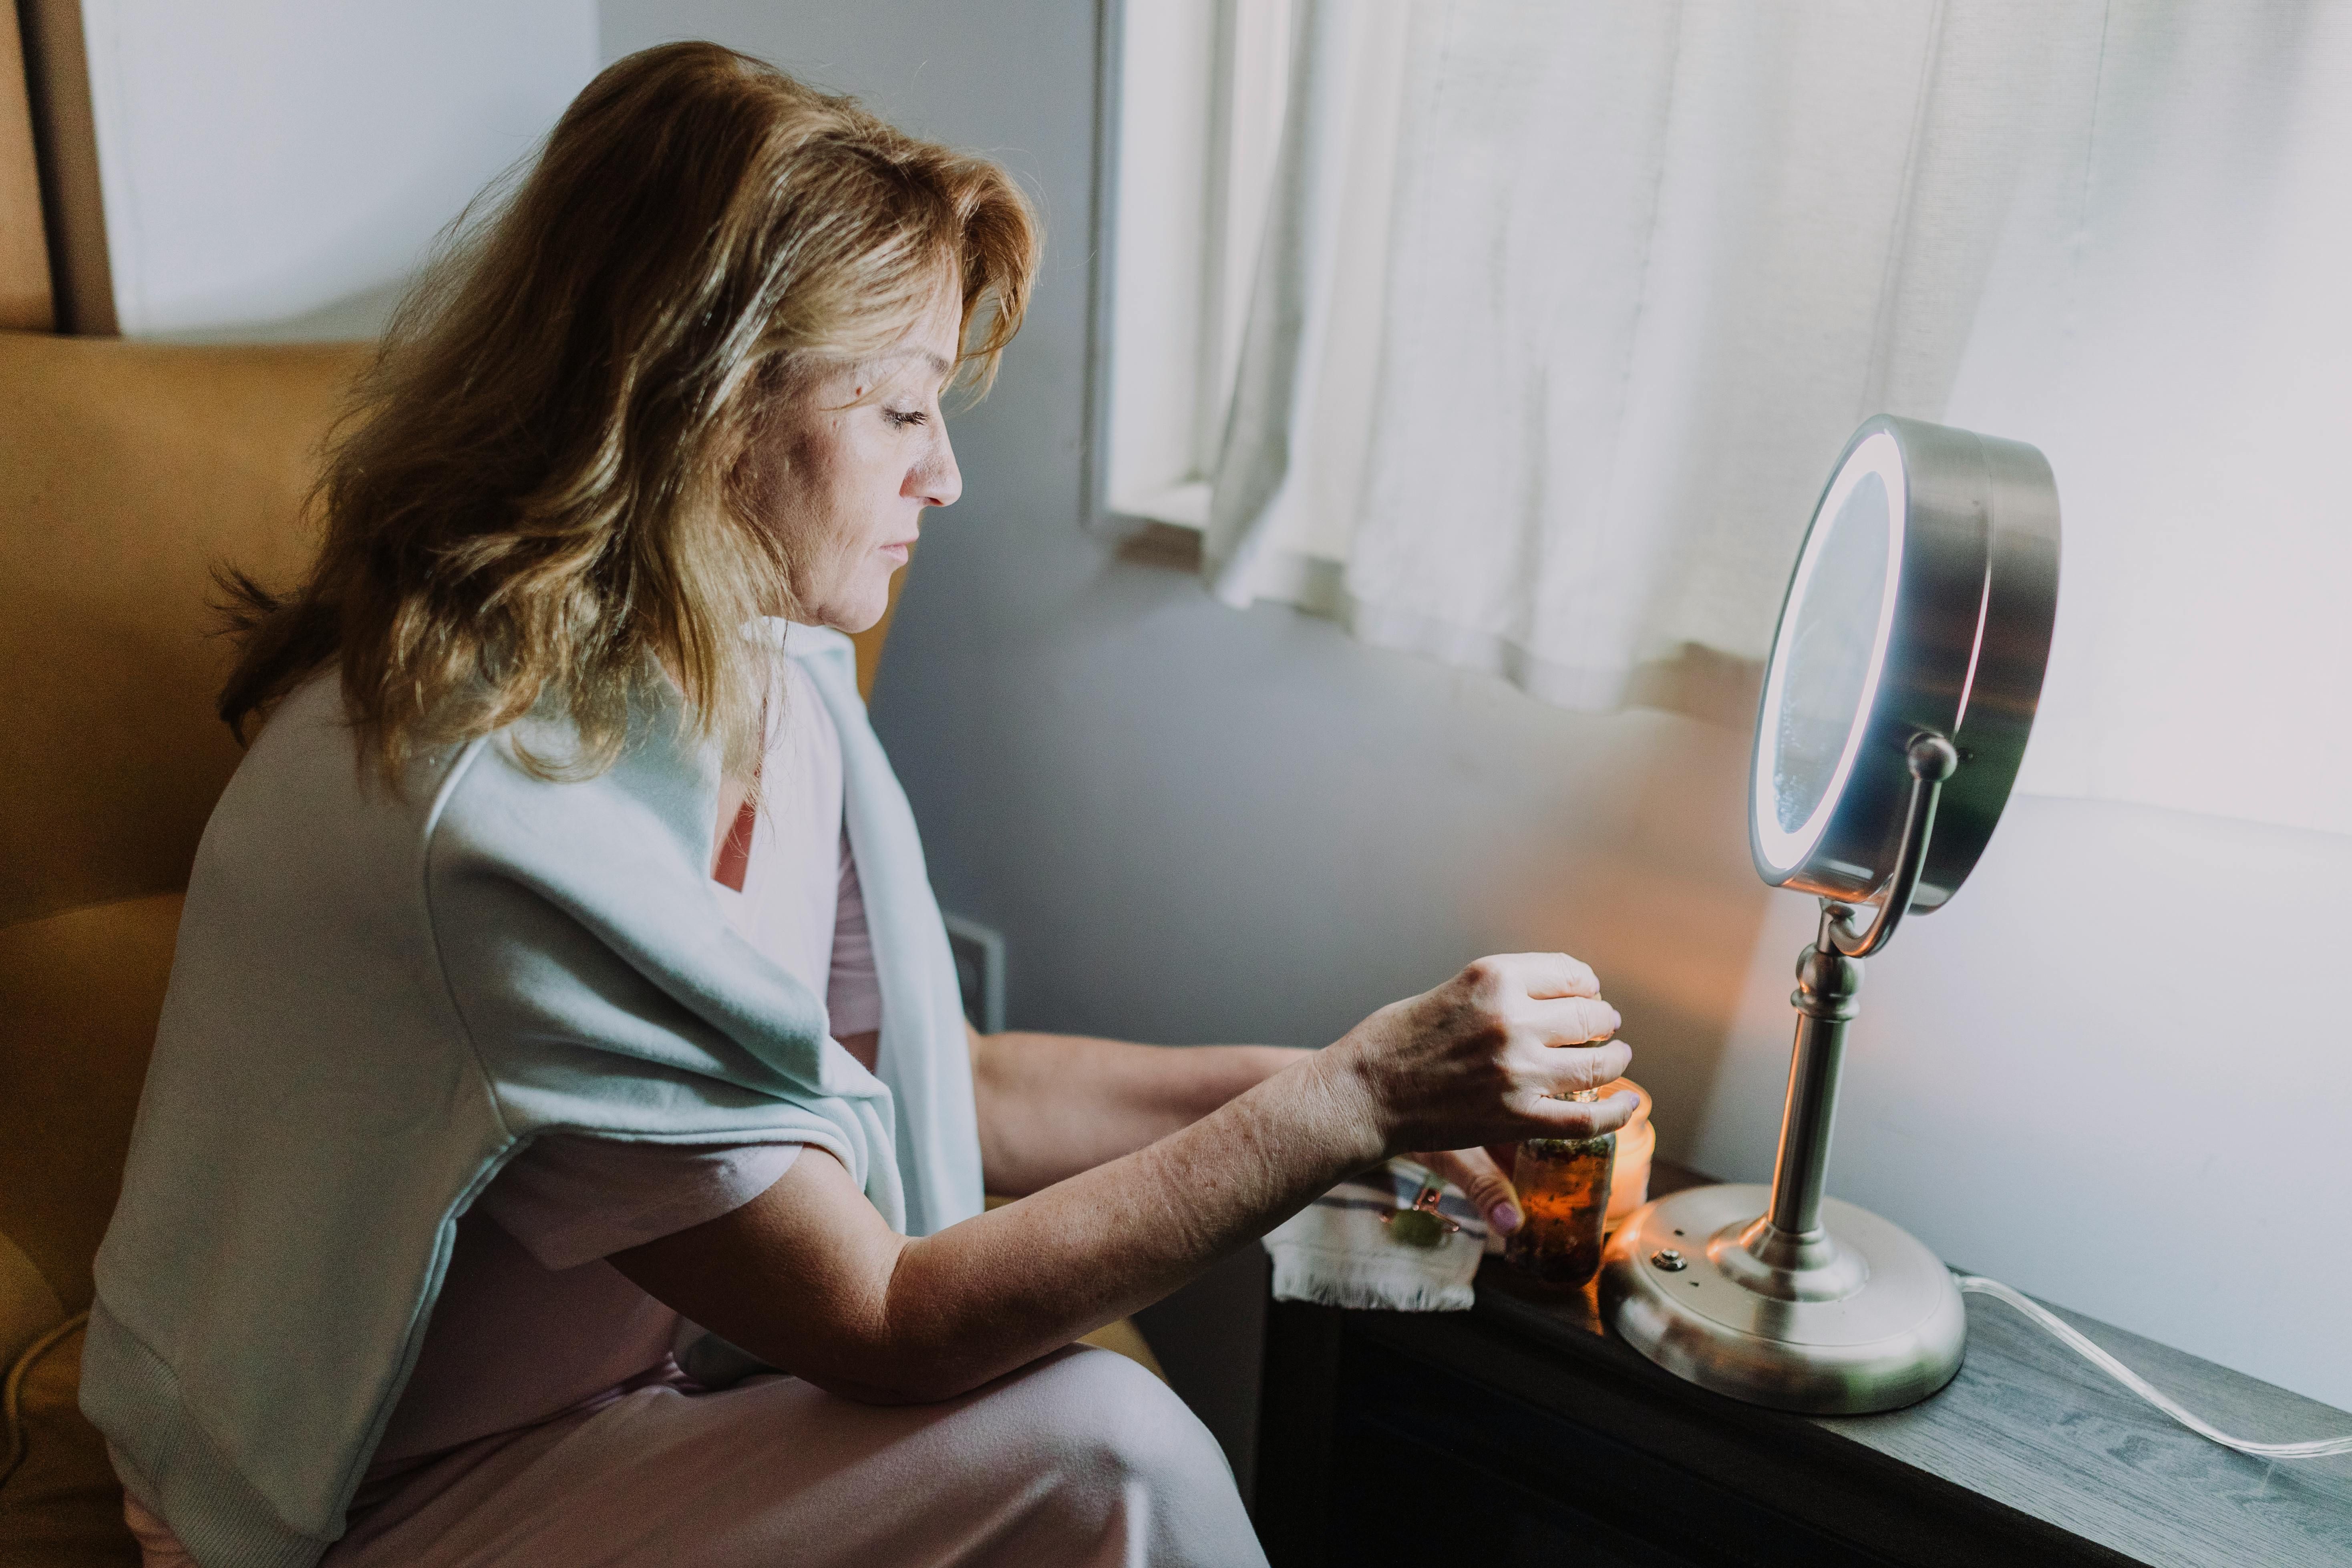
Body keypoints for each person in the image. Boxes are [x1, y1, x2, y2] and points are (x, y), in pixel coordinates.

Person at [84, 42, 1634, 1568]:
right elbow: (881, 1312)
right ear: (704, 409)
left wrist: (1368, 1107)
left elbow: (959, 1084)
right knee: (1117, 1448)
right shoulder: (489, 823)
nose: (945, 476)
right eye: (899, 410)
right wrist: (1345, 1098)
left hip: (630, 1390)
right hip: (385, 1492)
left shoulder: (759, 663)